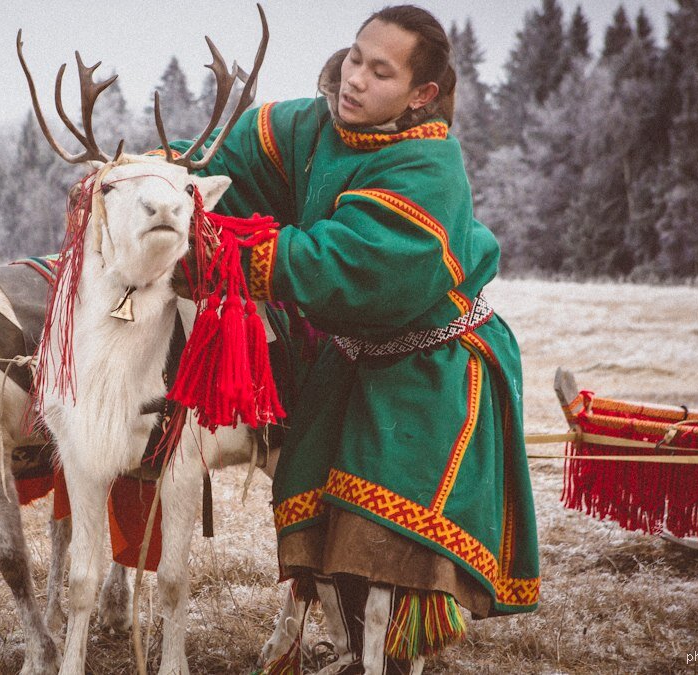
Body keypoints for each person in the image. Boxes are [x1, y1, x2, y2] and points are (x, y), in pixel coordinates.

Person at [170, 6, 540, 674]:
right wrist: (168, 194)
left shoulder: (429, 169)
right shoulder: (311, 128)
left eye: (380, 70)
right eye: (354, 57)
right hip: (356, 358)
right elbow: (235, 164)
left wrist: (234, 259)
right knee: (322, 517)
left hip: (432, 368)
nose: (354, 79)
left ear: (421, 94)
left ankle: (386, 661)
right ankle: (348, 651)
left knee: (385, 541)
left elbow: (345, 266)